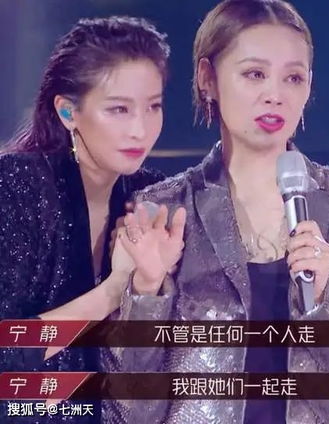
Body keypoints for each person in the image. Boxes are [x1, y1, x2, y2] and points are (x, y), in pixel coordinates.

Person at [119, 1, 329, 423]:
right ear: (208, 78)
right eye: (254, 74)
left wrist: (324, 302)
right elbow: (131, 408)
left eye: (293, 78)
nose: (275, 95)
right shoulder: (163, 209)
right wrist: (147, 291)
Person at [0, 16, 186, 423]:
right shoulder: (14, 187)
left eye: (153, 107)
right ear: (68, 112)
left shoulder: (153, 196)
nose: (140, 129)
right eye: (119, 109)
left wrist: (148, 287)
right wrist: (115, 289)